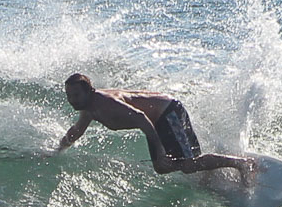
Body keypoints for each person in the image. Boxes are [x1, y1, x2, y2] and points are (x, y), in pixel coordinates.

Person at [56, 73, 257, 178]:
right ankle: (209, 167)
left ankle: (242, 164)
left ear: (89, 91)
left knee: (188, 165)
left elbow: (141, 118)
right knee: (162, 167)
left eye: (76, 95)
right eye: (69, 95)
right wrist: (57, 151)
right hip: (157, 118)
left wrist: (160, 150)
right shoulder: (88, 108)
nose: (72, 100)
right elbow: (76, 131)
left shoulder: (107, 103)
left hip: (168, 112)